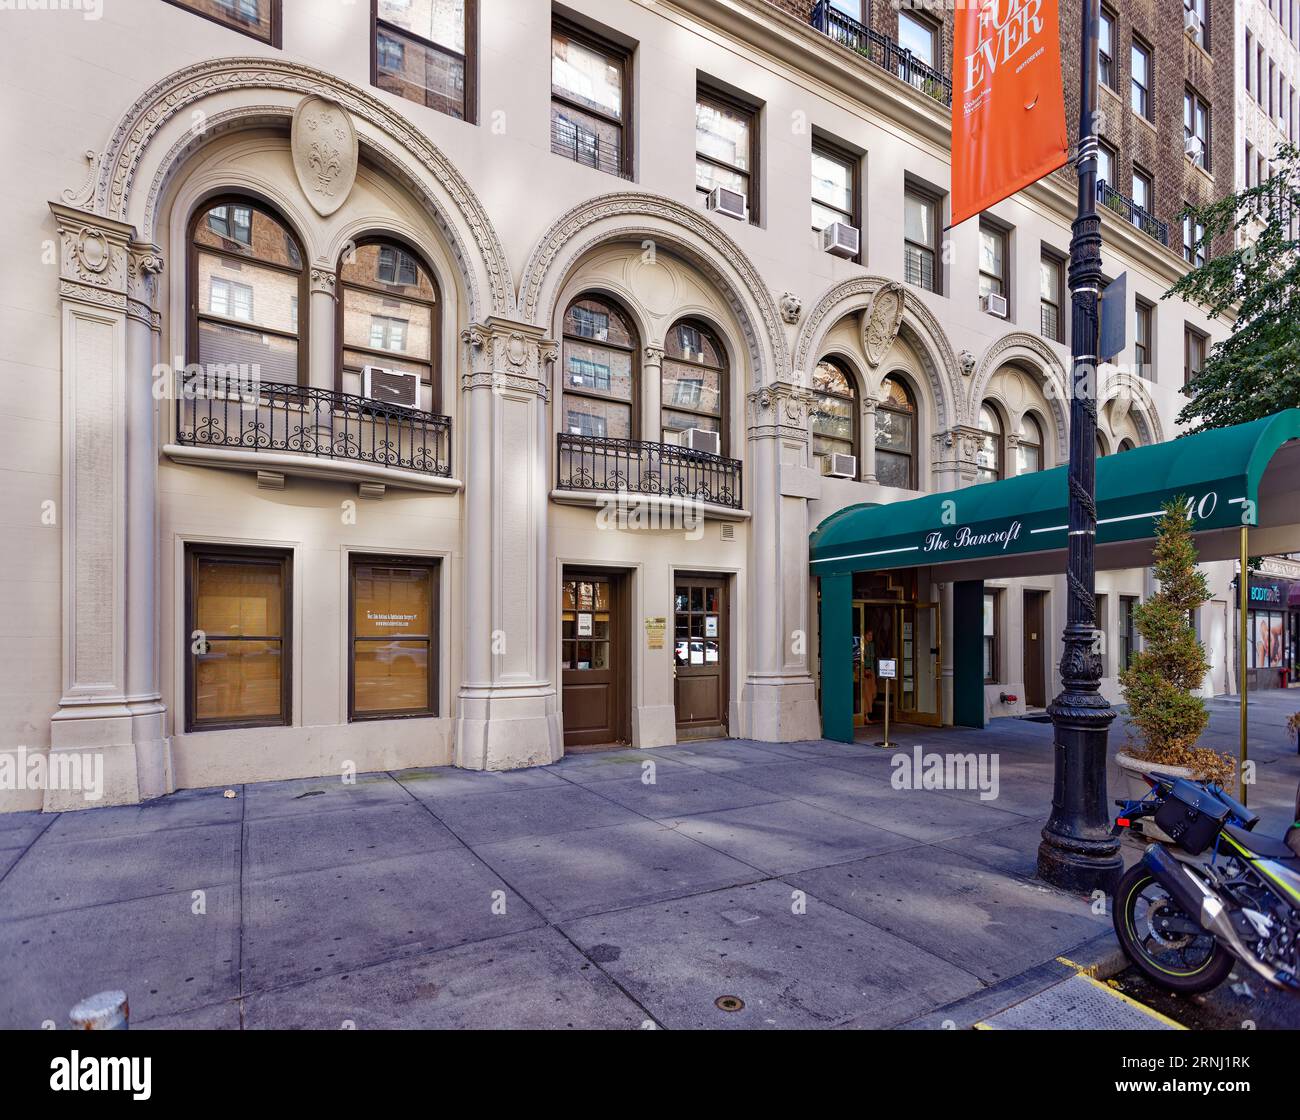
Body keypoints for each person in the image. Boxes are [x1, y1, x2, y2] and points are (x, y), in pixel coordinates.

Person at [861, 627, 878, 723]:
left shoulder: (872, 645)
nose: (871, 637)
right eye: (869, 635)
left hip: (872, 671)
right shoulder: (863, 645)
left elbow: (872, 657)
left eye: (872, 635)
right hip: (866, 672)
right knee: (866, 693)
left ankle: (867, 715)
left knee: (872, 692)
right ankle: (865, 715)